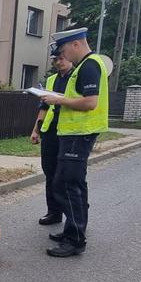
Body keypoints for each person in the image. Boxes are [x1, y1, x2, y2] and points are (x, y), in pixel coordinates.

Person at [41, 27, 109, 257]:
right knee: (72, 183)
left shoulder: (89, 65)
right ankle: (73, 228)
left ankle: (75, 239)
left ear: (76, 44)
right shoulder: (84, 65)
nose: (63, 55)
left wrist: (59, 100)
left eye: (64, 49)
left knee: (67, 185)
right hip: (73, 134)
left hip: (79, 134)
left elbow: (90, 102)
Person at [30, 46, 74, 226]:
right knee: (50, 172)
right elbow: (44, 107)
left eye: (61, 58)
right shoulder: (52, 80)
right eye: (55, 60)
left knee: (65, 175)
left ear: (69, 58)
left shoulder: (76, 77)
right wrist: (36, 130)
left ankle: (72, 216)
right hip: (50, 131)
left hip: (69, 132)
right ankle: (53, 212)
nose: (58, 62)